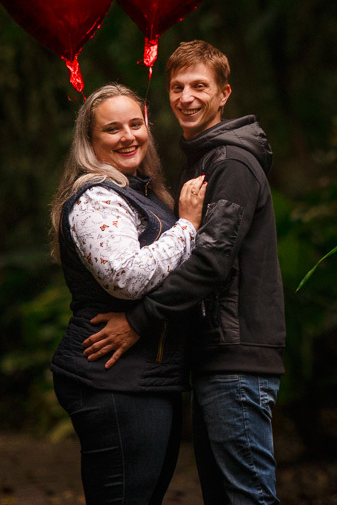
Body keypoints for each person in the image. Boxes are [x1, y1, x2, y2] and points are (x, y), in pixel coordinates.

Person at [82, 41, 286, 505]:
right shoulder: (203, 158)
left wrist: (137, 322)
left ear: (224, 94)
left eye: (200, 86)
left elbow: (211, 262)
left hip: (236, 357)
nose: (187, 97)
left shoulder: (231, 163)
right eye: (177, 87)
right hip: (216, 357)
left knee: (248, 498)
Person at [49, 83, 208, 505]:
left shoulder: (140, 191)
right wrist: (188, 226)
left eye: (136, 124)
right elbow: (125, 277)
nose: (128, 136)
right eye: (112, 129)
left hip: (142, 377)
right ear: (89, 141)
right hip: (113, 378)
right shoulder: (98, 198)